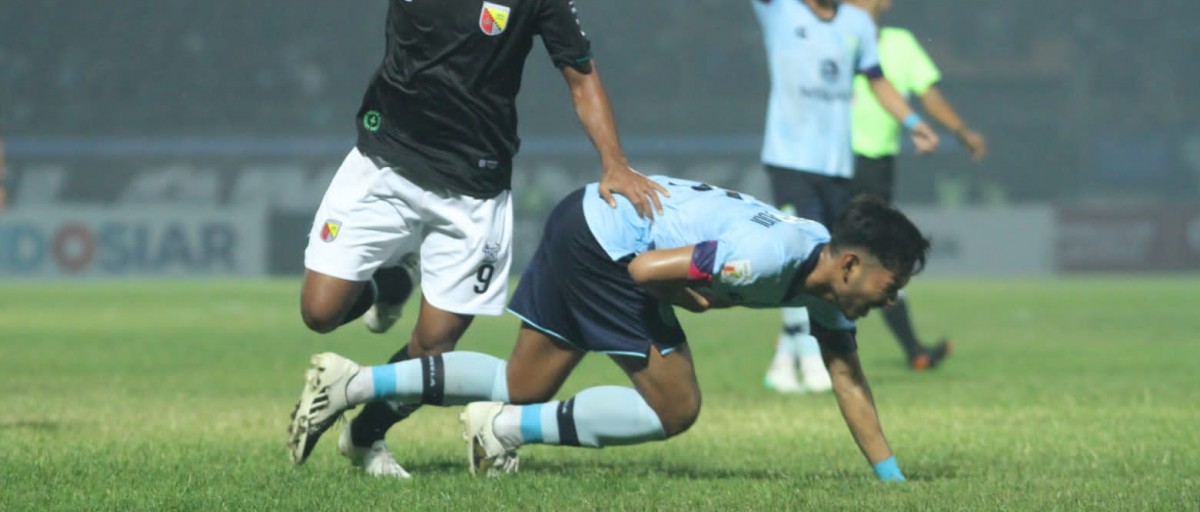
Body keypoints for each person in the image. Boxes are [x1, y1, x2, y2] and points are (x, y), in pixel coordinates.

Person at [232, 0, 666, 479]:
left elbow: (581, 76)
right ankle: (390, 280)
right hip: (384, 163)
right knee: (319, 314)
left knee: (432, 351)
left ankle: (365, 436)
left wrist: (615, 163)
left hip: (472, 190)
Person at [287, 176, 930, 483]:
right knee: (677, 408)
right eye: (891, 283)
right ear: (852, 265)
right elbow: (647, 270)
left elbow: (848, 379)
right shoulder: (763, 259)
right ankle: (501, 430)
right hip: (611, 246)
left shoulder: (824, 281)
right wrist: (689, 295)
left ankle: (353, 383)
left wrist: (891, 480)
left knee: (522, 384)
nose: (891, 298)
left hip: (585, 217)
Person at [739, 0, 939, 394]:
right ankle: (804, 357)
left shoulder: (856, 23)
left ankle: (787, 359)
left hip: (837, 162)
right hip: (790, 157)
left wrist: (914, 123)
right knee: (804, 255)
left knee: (828, 260)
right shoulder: (778, 8)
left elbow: (878, 81)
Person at [842, 0, 987, 370]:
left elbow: (929, 94)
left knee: (872, 258)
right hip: (830, 162)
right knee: (845, 255)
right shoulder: (833, 42)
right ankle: (804, 350)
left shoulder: (900, 45)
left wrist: (960, 130)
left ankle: (909, 350)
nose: (859, 3)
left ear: (884, 0)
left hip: (875, 167)